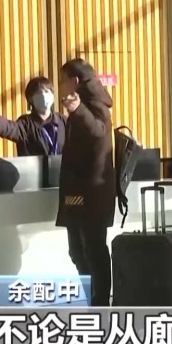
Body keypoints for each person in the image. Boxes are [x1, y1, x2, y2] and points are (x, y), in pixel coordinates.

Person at [55, 59, 115, 307]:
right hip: (77, 194)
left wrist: (78, 110)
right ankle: (92, 298)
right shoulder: (79, 107)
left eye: (62, 80)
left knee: (94, 250)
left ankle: (100, 304)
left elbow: (98, 132)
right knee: (77, 252)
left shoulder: (96, 104)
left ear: (75, 81)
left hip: (93, 194)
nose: (59, 86)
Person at [0, 76, 66, 156]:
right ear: (31, 99)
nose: (43, 95)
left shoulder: (62, 120)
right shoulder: (26, 123)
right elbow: (9, 129)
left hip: (61, 169)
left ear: (52, 95)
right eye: (38, 93)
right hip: (33, 169)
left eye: (47, 91)